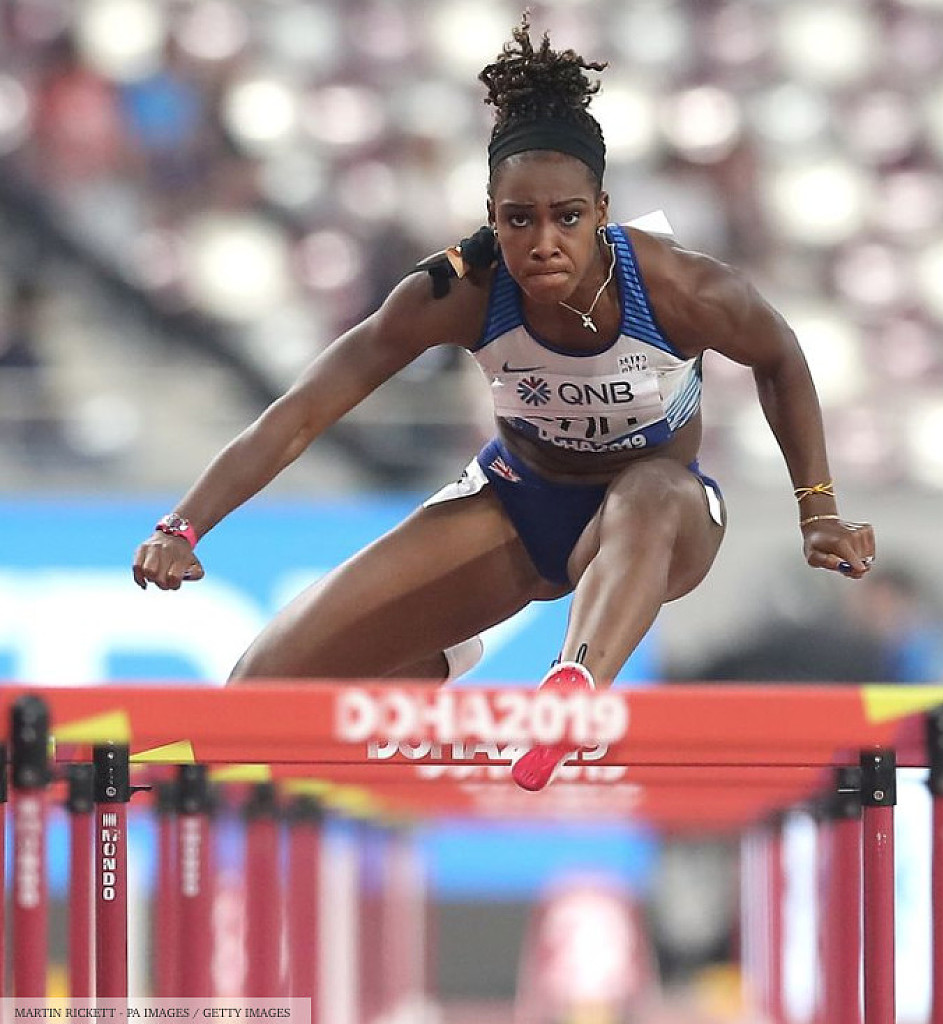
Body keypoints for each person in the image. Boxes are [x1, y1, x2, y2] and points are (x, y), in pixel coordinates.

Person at [132, 14, 876, 792]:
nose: (543, 242)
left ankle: (570, 693)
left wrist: (817, 507)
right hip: (519, 500)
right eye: (519, 220)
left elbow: (779, 358)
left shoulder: (680, 287)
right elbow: (302, 412)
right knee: (255, 698)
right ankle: (435, 659)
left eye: (566, 217)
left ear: (602, 210)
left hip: (661, 519)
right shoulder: (453, 292)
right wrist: (183, 525)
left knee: (649, 490)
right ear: (492, 215)